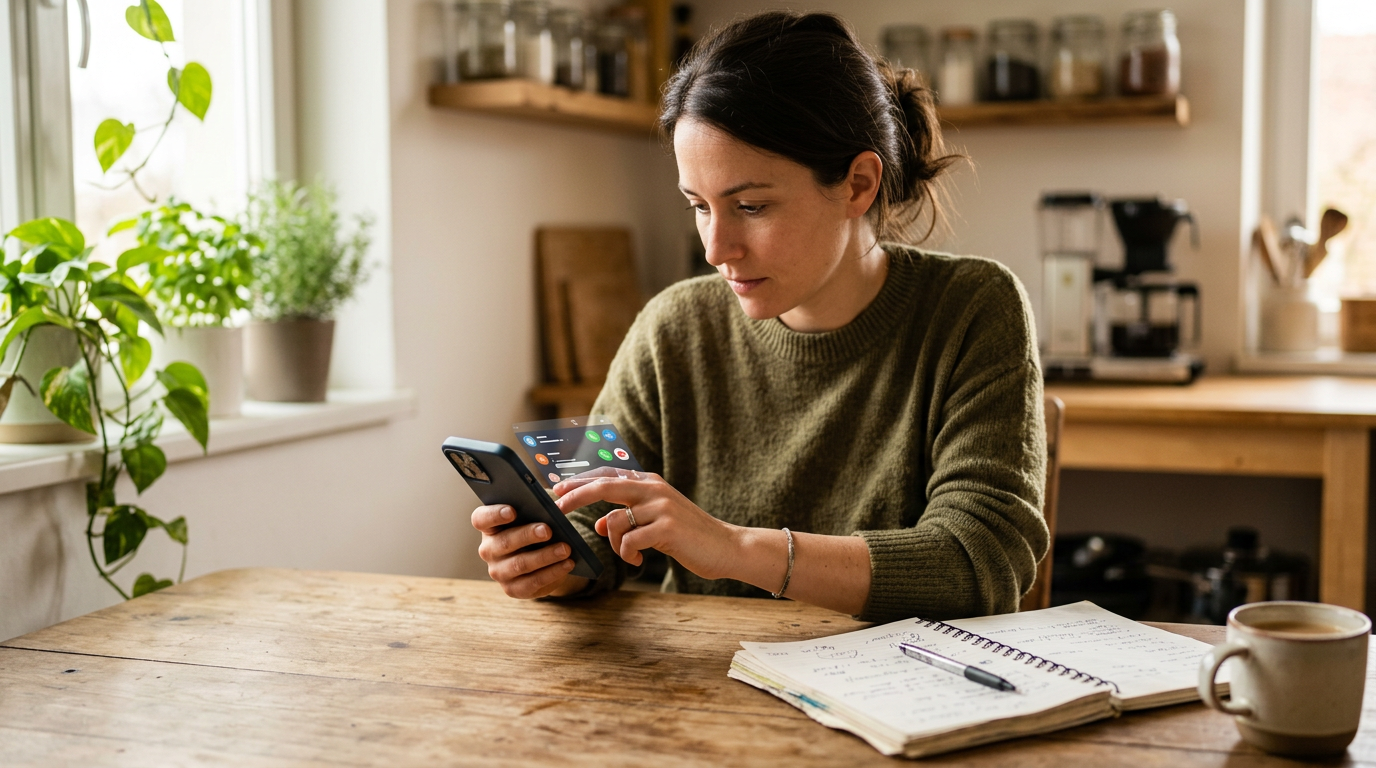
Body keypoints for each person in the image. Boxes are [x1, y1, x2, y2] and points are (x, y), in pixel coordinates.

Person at [471, 10, 1047, 622]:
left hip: (903, 698)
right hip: (704, 696)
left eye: (750, 205)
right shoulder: (670, 326)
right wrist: (547, 559)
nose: (716, 250)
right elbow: (590, 521)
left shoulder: (974, 308)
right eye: (699, 206)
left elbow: (980, 561)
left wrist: (733, 548)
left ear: (857, 183)